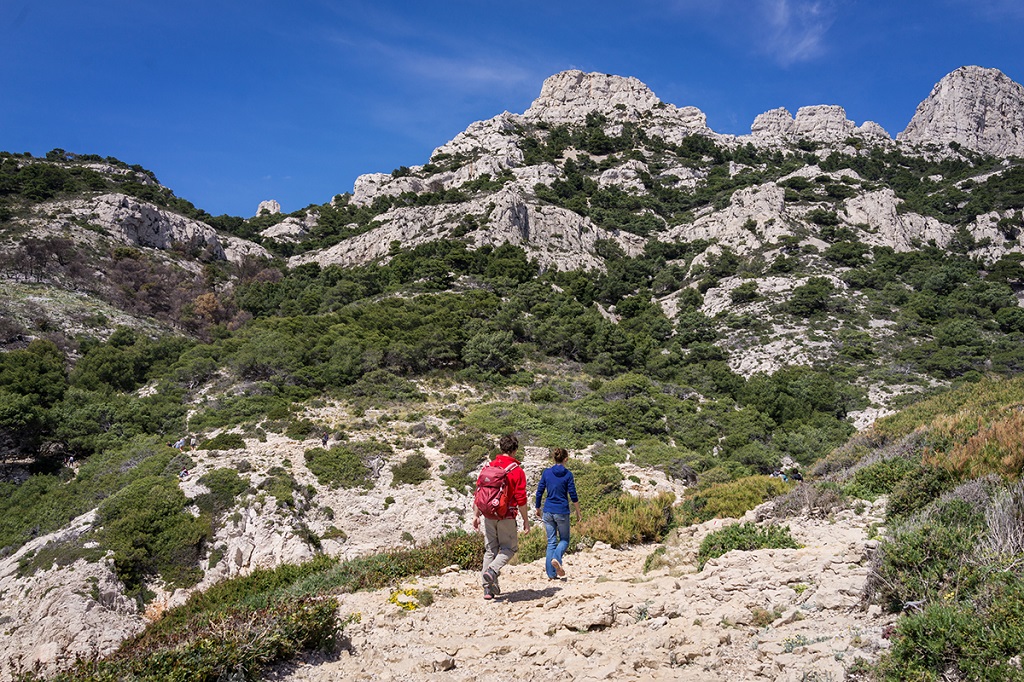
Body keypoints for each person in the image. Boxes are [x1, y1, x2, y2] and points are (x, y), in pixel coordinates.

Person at [472, 434, 531, 600]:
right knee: (509, 549)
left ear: (501, 448)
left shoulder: (488, 467)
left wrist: (476, 515)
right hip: (506, 515)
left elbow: (479, 493)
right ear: (515, 450)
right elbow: (521, 499)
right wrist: (526, 521)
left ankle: (487, 590)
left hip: (488, 514)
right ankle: (492, 571)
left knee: (490, 550)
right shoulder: (517, 471)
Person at [534, 447, 582, 580]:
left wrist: (537, 507)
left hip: (548, 510)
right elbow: (573, 494)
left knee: (551, 542)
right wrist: (578, 511)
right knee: (565, 539)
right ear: (566, 459)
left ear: (554, 458)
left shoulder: (546, 473)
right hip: (561, 511)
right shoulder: (568, 474)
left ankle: (551, 574)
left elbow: (540, 491)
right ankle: (556, 558)